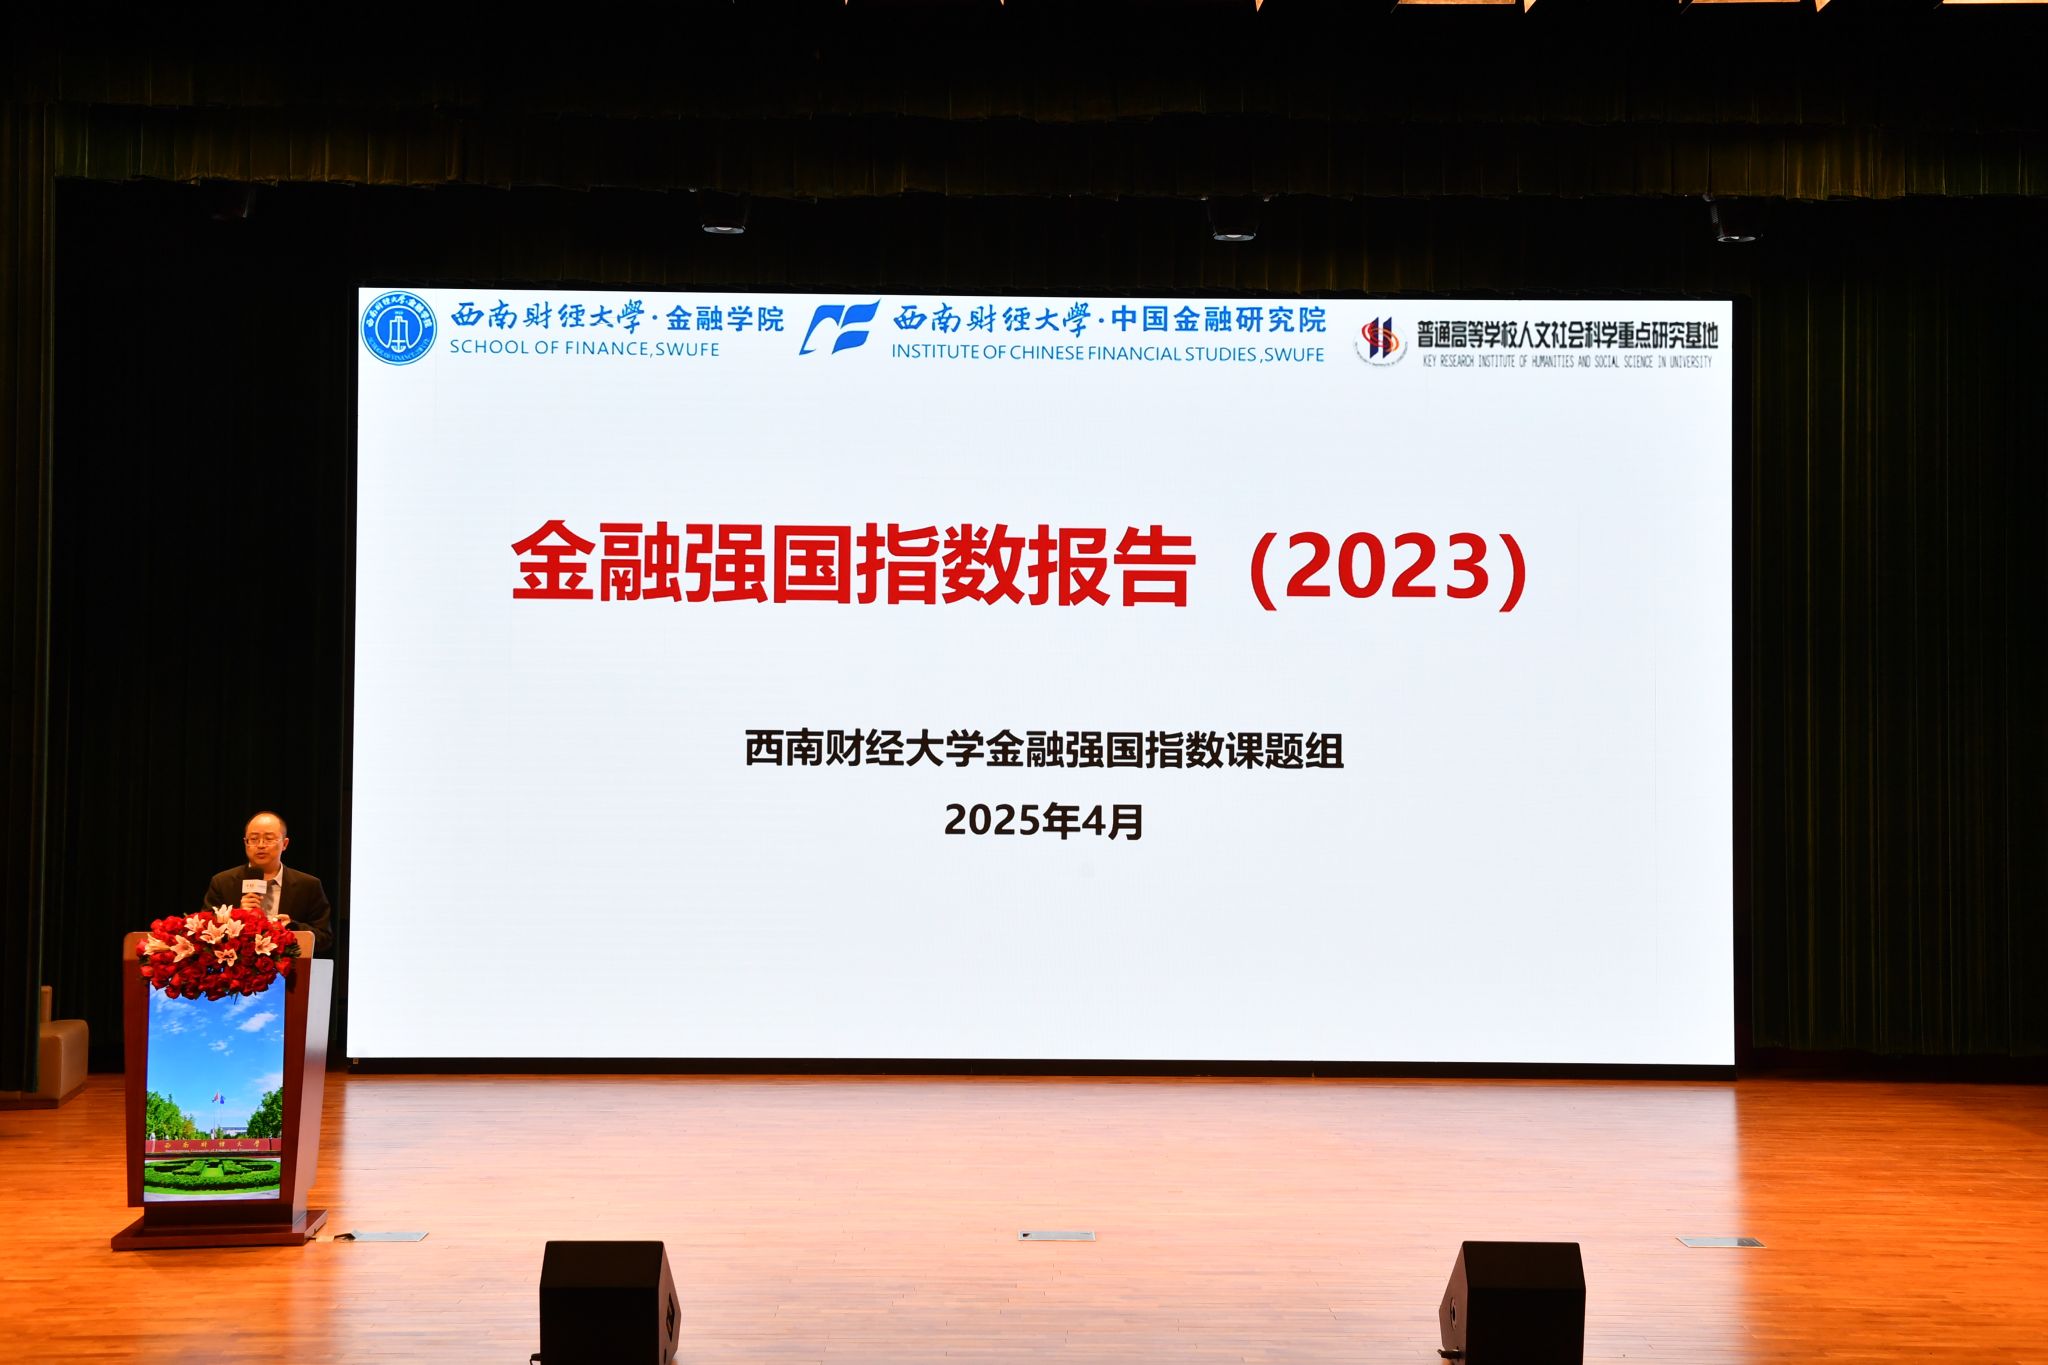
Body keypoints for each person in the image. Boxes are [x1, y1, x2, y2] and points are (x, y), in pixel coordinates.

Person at [202, 811, 333, 958]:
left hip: (289, 968)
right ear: (245, 843)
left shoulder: (308, 885)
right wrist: (236, 916)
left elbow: (324, 939)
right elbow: (204, 932)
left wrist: (291, 926)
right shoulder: (222, 882)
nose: (261, 845)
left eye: (269, 839)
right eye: (254, 839)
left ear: (285, 844)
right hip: (236, 967)